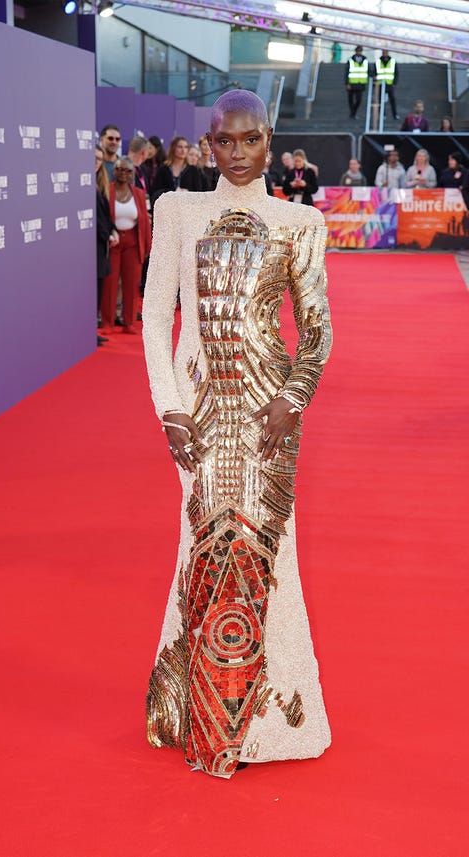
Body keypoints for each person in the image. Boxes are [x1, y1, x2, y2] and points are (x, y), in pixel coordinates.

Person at [142, 89, 332, 779]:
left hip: (268, 418)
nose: (240, 153)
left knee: (260, 556)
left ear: (270, 139)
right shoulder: (177, 211)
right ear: (209, 145)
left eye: (252, 140)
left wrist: (292, 398)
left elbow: (318, 332)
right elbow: (153, 317)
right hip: (198, 416)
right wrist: (169, 408)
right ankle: (198, 709)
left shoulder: (300, 222)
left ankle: (265, 722)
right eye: (226, 141)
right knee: (203, 546)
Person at [100, 157, 151, 334]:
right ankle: (107, 322)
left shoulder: (138, 193)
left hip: (133, 242)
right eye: (120, 169)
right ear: (114, 171)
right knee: (110, 283)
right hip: (113, 242)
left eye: (128, 171)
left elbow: (144, 221)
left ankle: (128, 322)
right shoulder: (107, 190)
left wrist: (147, 246)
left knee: (131, 284)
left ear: (132, 174)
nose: (123, 173)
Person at [95, 144, 118, 346]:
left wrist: (113, 229)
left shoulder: (101, 183)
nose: (96, 162)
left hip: (101, 246)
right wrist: (107, 233)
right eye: (93, 158)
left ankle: (91, 330)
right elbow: (94, 219)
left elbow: (105, 215)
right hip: (92, 246)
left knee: (99, 288)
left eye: (99, 159)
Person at [151, 136, 208, 208]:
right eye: (180, 147)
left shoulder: (193, 170)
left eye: (186, 147)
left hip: (187, 210)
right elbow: (155, 192)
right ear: (173, 148)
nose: (183, 150)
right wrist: (173, 191)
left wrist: (187, 193)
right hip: (167, 209)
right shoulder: (163, 169)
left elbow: (199, 194)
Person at [374, 48, 399, 120]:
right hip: (380, 83)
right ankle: (382, 114)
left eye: (386, 52)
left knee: (392, 99)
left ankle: (395, 114)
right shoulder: (378, 61)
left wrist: (394, 82)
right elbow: (375, 72)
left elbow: (396, 73)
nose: (385, 53)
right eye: (383, 52)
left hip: (389, 83)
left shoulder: (392, 61)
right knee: (380, 100)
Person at [345, 45, 369, 119]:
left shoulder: (365, 59)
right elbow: (346, 72)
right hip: (352, 83)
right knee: (351, 99)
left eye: (360, 51)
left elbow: (368, 70)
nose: (359, 52)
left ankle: (353, 113)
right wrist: (347, 83)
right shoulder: (351, 60)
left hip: (360, 83)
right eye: (358, 51)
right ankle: (352, 113)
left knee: (358, 100)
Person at [141, 135, 166, 201]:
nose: (147, 151)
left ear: (157, 149)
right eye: (146, 148)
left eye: (150, 148)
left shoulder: (164, 165)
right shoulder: (144, 164)